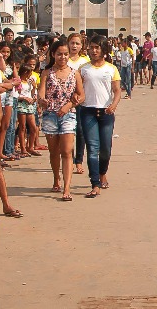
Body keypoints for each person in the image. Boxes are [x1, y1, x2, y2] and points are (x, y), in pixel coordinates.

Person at [39, 40, 83, 202]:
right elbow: (41, 93)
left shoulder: (74, 73)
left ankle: (67, 187)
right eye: (59, 54)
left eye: (65, 54)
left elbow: (81, 95)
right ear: (53, 55)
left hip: (68, 115)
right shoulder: (46, 73)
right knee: (54, 152)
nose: (62, 57)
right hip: (50, 115)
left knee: (66, 151)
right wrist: (41, 101)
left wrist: (70, 104)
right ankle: (56, 178)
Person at [79, 36, 122, 198]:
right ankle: (95, 183)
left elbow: (117, 90)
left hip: (106, 112)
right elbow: (78, 89)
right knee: (92, 148)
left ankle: (103, 172)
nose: (94, 50)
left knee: (105, 149)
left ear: (104, 50)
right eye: (91, 47)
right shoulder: (83, 69)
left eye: (97, 47)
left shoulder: (111, 69)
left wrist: (113, 105)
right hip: (88, 111)